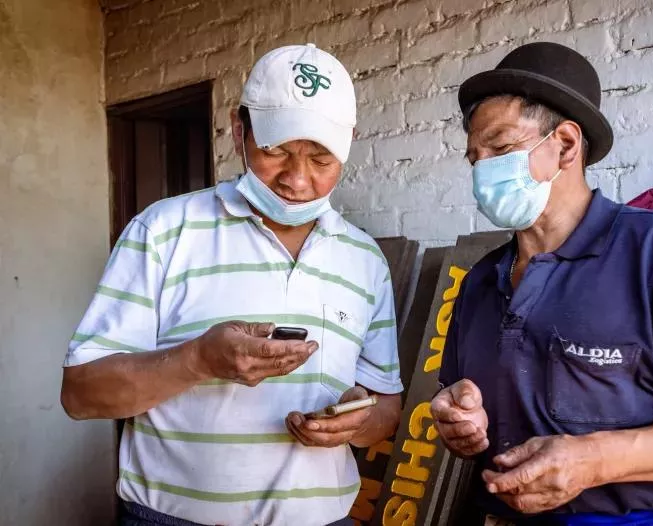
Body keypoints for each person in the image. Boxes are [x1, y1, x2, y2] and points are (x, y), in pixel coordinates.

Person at [431, 42, 653, 525]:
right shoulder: (480, 282)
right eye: (475, 157)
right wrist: (459, 421)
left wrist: (593, 460)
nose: (483, 169)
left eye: (502, 147)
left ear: (567, 144)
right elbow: (463, 402)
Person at [61, 43, 403, 526]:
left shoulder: (365, 260)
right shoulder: (163, 231)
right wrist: (196, 360)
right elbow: (80, 394)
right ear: (239, 131)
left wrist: (358, 423)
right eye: (276, 150)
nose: (297, 179)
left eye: (321, 159)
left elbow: (386, 403)